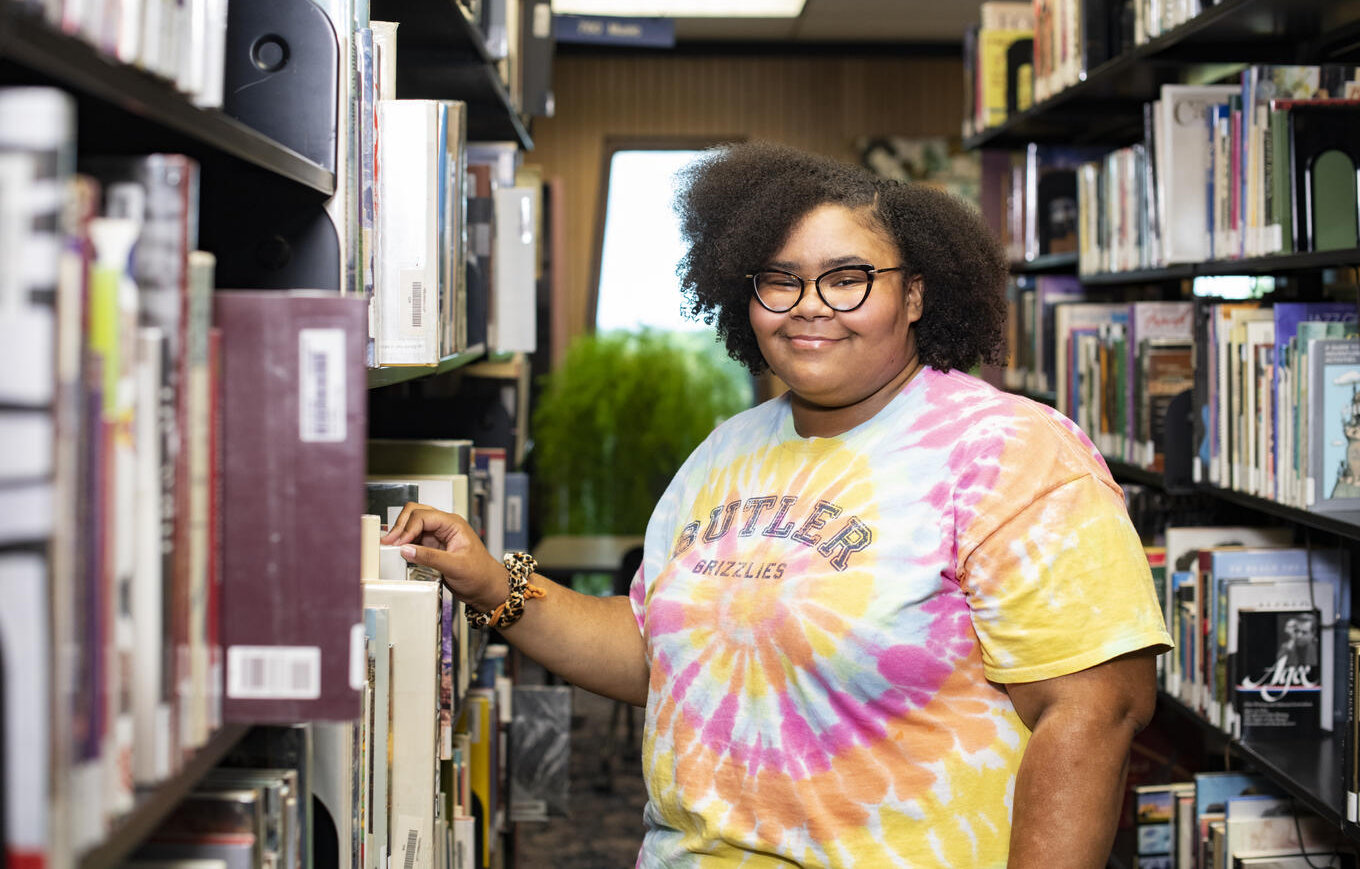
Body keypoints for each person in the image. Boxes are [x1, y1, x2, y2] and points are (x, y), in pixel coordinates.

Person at [384, 141, 1173, 868]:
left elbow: (1094, 710)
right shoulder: (726, 451)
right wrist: (493, 584)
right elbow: (660, 653)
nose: (808, 305)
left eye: (847, 277)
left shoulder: (1011, 450)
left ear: (915, 295)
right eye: (780, 279)